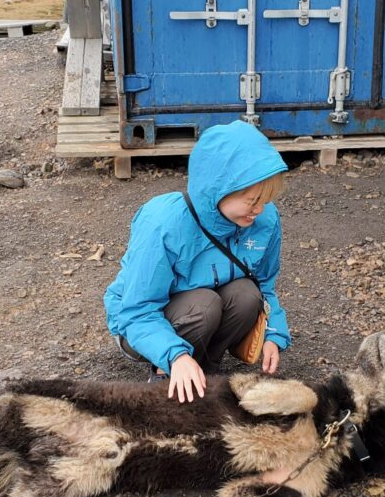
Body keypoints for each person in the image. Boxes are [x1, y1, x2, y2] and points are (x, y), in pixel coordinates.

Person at [104, 120, 291, 403]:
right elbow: (137, 310)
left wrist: (274, 334)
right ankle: (167, 370)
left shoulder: (264, 219)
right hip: (141, 325)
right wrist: (175, 356)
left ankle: (203, 369)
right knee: (203, 304)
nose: (260, 210)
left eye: (265, 199)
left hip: (202, 311)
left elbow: (264, 286)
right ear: (218, 189)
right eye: (252, 200)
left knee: (247, 295)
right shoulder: (163, 223)